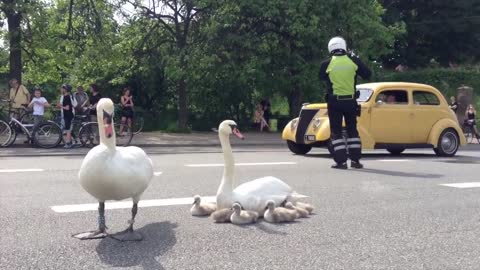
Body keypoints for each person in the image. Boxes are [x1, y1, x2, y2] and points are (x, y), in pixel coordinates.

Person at [319, 36, 371, 169]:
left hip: (334, 102)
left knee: (336, 132)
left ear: (330, 48)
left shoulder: (326, 63)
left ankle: (341, 162)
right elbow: (367, 74)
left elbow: (321, 77)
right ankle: (355, 161)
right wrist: (356, 59)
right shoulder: (353, 61)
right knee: (352, 130)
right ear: (344, 46)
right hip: (351, 101)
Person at [57, 84, 74, 149]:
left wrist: (60, 106)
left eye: (62, 88)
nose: (61, 90)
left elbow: (67, 108)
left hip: (68, 115)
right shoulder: (65, 96)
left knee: (68, 130)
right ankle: (69, 142)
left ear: (65, 89)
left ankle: (68, 143)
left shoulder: (67, 97)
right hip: (66, 115)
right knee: (67, 130)